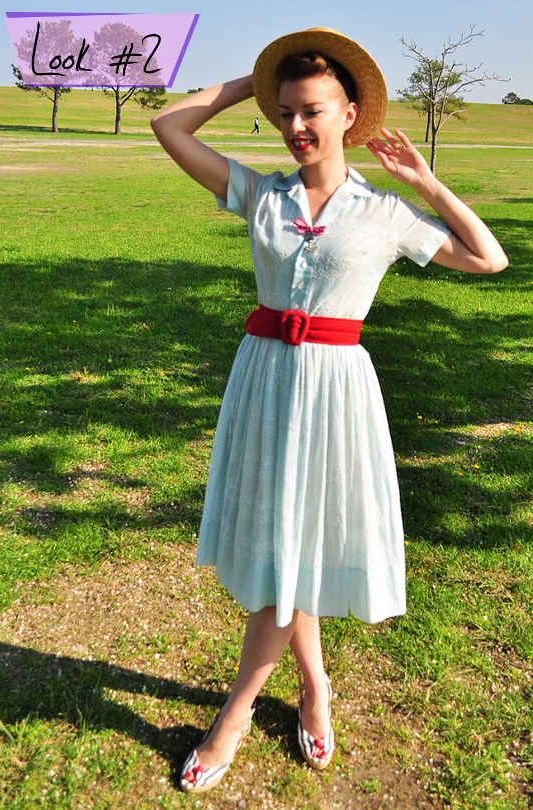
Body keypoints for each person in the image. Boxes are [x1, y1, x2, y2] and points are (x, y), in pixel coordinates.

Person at [150, 27, 507, 794]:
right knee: (289, 549)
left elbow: (488, 257)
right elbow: (167, 125)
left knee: (291, 553)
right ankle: (314, 689)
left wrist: (426, 182)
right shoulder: (259, 195)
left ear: (351, 115)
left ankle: (237, 711)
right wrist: (254, 81)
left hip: (336, 390)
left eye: (311, 109)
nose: (296, 127)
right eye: (284, 112)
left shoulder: (383, 213)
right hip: (266, 381)